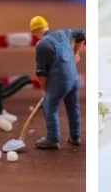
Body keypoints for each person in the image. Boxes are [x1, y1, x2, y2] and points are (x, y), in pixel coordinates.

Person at [30, 16, 85, 149]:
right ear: (47, 26)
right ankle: (75, 136)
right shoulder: (64, 33)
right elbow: (82, 34)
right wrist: (75, 52)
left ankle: (52, 138)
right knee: (73, 107)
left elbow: (41, 73)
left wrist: (45, 90)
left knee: (49, 105)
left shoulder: (42, 45)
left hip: (60, 81)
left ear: (35, 32)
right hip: (73, 78)